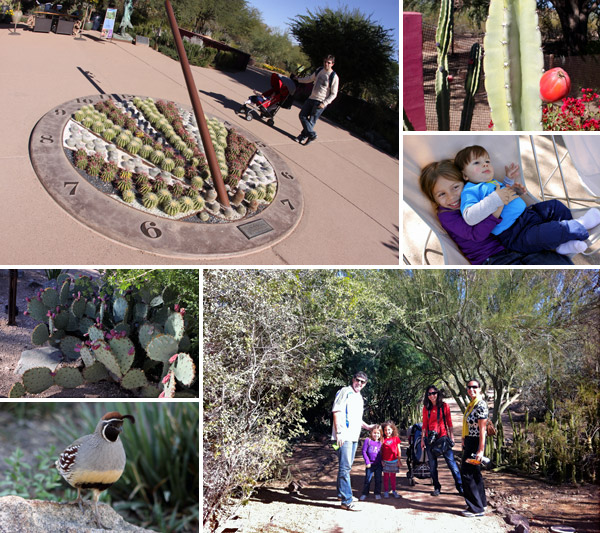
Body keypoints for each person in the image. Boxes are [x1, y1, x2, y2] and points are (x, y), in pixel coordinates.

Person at [419, 160, 574, 265]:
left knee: (557, 257)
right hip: (492, 257)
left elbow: (494, 191)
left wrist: (509, 184)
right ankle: (564, 236)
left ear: (464, 182)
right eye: (441, 194)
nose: (452, 197)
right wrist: (496, 211)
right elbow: (476, 235)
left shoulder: (472, 193)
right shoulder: (447, 215)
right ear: (433, 198)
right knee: (549, 262)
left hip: (512, 237)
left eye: (455, 187)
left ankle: (568, 237)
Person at [455, 145, 600, 255]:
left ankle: (563, 245)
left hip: (528, 214)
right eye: (476, 163)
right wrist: (495, 199)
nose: (485, 164)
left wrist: (510, 183)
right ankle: (580, 225)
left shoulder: (491, 182)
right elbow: (470, 217)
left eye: (487, 161)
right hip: (515, 234)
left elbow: (505, 194)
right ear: (465, 175)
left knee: (554, 206)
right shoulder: (469, 192)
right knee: (550, 231)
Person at [332, 371, 375, 511]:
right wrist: (338, 432)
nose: (360, 384)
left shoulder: (359, 397)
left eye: (363, 382)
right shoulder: (345, 391)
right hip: (343, 436)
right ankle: (347, 501)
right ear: (353, 379)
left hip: (353, 436)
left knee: (346, 466)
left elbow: (355, 418)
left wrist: (367, 426)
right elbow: (337, 411)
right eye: (358, 380)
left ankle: (341, 493)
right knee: (345, 468)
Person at [420, 385, 463, 496]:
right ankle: (436, 487)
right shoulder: (426, 408)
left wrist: (452, 436)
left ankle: (460, 487)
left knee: (452, 465)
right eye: (429, 394)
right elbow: (424, 425)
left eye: (434, 393)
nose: (432, 396)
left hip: (443, 438)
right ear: (427, 395)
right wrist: (422, 439)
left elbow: (449, 422)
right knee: (433, 466)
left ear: (437, 394)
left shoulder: (444, 406)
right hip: (430, 440)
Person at [293, 55, 339, 146]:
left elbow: (334, 94)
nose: (326, 64)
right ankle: (312, 135)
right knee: (302, 115)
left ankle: (302, 137)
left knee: (311, 121)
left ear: (332, 64)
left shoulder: (334, 77)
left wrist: (325, 103)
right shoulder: (319, 70)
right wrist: (298, 79)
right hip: (311, 98)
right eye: (325, 61)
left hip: (320, 102)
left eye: (328, 63)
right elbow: (310, 79)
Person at [461, 378, 488, 517]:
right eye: (469, 387)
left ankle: (475, 508)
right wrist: (464, 439)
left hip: (477, 442)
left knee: (466, 472)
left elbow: (482, 429)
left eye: (474, 387)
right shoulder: (471, 404)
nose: (471, 389)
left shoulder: (480, 405)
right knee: (475, 472)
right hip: (470, 441)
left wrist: (481, 450)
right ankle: (481, 503)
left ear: (480, 388)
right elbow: (469, 424)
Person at [359, 425, 383, 501]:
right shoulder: (368, 440)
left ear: (380, 434)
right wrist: (367, 461)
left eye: (378, 433)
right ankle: (365, 493)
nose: (376, 435)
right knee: (367, 479)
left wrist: (382, 461)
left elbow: (382, 453)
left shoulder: (381, 442)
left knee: (378, 479)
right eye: (374, 433)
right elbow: (364, 451)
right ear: (371, 433)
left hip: (378, 465)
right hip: (370, 465)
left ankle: (377, 493)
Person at [381, 420, 402, 499]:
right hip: (385, 462)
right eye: (386, 430)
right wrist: (382, 460)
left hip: (394, 461)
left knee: (393, 478)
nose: (387, 431)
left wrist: (399, 460)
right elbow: (381, 451)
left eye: (389, 429)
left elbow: (398, 449)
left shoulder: (396, 438)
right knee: (386, 478)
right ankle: (386, 491)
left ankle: (393, 490)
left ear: (392, 429)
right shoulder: (383, 439)